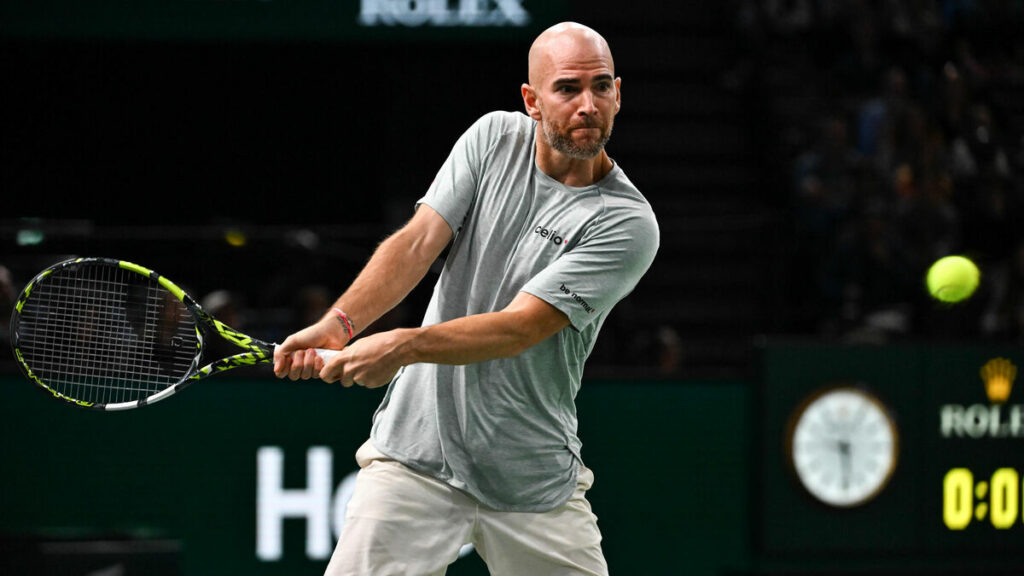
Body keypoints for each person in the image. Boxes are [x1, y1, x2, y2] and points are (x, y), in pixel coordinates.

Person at [273, 21, 659, 576]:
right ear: (531, 100)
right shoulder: (492, 139)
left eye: (601, 87)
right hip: (416, 457)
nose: (588, 105)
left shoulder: (626, 223)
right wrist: (339, 323)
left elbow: (518, 328)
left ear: (618, 94)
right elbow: (416, 243)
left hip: (530, 476)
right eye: (567, 89)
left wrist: (402, 346)